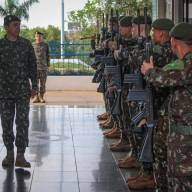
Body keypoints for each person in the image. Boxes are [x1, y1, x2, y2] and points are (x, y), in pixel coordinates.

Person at [141, 22, 192, 192]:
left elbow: (165, 78)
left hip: (186, 140)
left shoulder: (187, 65)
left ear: (174, 42)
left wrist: (149, 71)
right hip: (181, 136)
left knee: (181, 181)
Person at [0, 15, 37, 168]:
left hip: (22, 91)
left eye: (19, 25)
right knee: (6, 123)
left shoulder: (26, 44)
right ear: (6, 27)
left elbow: (32, 66)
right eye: (15, 25)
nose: (18, 27)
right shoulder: (1, 45)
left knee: (22, 122)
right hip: (4, 91)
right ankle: (9, 154)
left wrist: (35, 86)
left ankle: (20, 156)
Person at [32, 31, 50, 103]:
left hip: (43, 68)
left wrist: (48, 65)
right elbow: (29, 56)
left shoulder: (45, 45)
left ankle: (41, 97)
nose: (38, 38)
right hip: (34, 68)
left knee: (43, 84)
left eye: (40, 36)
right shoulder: (32, 45)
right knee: (35, 84)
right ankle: (36, 97)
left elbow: (48, 56)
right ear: (35, 37)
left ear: (42, 37)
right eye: (37, 36)